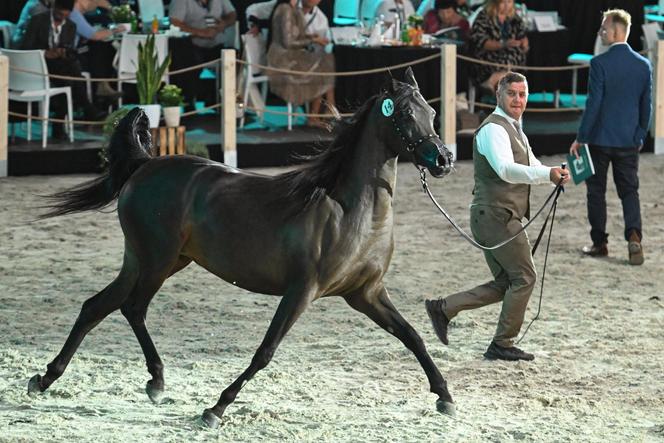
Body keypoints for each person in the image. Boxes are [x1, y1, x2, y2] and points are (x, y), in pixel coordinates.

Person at [425, 72, 569, 361]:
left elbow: (530, 164)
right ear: (499, 95)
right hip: (495, 217)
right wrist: (546, 175)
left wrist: (552, 173)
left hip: (497, 216)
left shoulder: (515, 127)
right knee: (525, 277)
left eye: (522, 94)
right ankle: (502, 343)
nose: (518, 99)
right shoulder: (493, 129)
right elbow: (505, 169)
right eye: (512, 93)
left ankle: (444, 308)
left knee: (507, 282)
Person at [569, 9, 651, 266]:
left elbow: (594, 105)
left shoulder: (599, 64)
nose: (600, 32)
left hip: (600, 140)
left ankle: (599, 243)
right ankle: (634, 235)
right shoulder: (643, 65)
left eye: (603, 28)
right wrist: (639, 136)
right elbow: (645, 106)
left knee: (596, 192)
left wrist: (581, 137)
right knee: (629, 191)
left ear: (615, 30)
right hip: (628, 140)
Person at [17, 0, 105, 137]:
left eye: (65, 16)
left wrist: (62, 52)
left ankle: (76, 116)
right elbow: (25, 48)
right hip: (37, 66)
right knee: (73, 77)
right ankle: (87, 109)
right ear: (54, 9)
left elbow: (70, 49)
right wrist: (45, 53)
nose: (61, 20)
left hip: (59, 67)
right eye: (58, 16)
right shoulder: (38, 21)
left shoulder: (70, 25)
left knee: (70, 77)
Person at [266, 0, 335, 128]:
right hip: (283, 59)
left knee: (324, 61)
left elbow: (296, 35)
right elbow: (288, 42)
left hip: (292, 56)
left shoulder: (293, 10)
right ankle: (322, 110)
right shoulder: (285, 9)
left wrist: (310, 36)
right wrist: (312, 40)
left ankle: (321, 111)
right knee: (323, 64)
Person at [169, 0, 237, 108]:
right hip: (191, 44)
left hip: (217, 44)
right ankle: (189, 100)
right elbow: (174, 22)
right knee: (185, 56)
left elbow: (232, 14)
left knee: (232, 57)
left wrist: (224, 23)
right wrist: (201, 32)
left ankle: (221, 100)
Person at [469, 0, 528, 92]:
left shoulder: (515, 19)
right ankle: (499, 85)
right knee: (509, 59)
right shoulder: (484, 16)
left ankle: (492, 82)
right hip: (487, 57)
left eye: (509, 2)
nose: (506, 6)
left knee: (514, 53)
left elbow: (522, 36)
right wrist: (503, 44)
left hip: (512, 59)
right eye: (503, 3)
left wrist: (524, 43)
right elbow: (480, 41)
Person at [70, 0, 125, 98]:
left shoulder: (77, 13)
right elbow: (94, 35)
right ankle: (102, 84)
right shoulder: (74, 14)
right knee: (100, 45)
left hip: (77, 52)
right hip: (71, 57)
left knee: (103, 46)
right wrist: (115, 30)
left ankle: (103, 84)